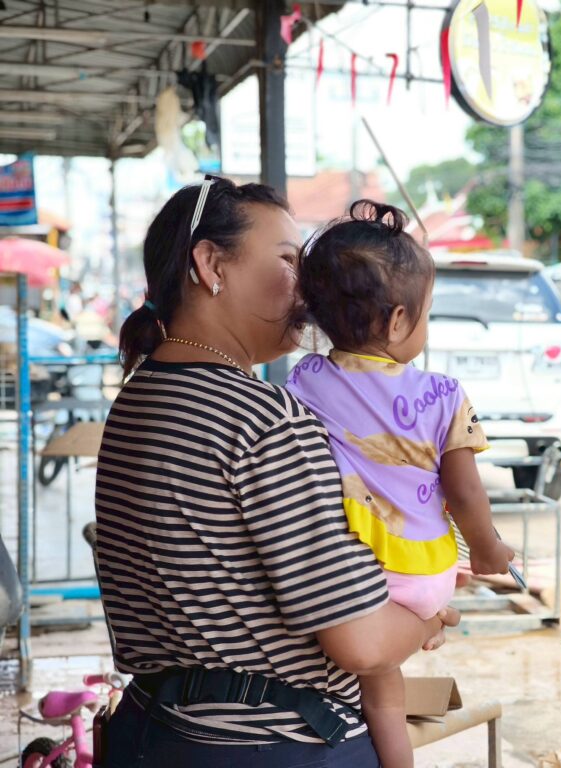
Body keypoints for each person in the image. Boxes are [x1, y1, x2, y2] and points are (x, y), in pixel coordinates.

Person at [95, 177, 458, 767]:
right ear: (212, 264)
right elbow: (361, 641)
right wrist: (430, 616)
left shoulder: (137, 399)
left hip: (154, 734)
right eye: (289, 260)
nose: (307, 284)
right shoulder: (264, 417)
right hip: (271, 746)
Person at [285, 200, 515, 768]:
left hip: (353, 575)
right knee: (384, 674)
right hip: (427, 574)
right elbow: (464, 493)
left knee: (379, 685)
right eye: (426, 311)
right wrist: (488, 550)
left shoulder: (303, 381)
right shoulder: (444, 395)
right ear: (396, 322)